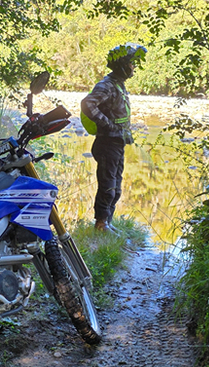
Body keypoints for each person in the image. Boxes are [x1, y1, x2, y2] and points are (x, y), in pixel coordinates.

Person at [81, 43, 147, 233]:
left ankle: (108, 223)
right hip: (107, 143)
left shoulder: (118, 84)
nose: (133, 67)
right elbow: (87, 104)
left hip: (117, 143)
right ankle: (101, 224)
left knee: (116, 186)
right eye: (131, 63)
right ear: (122, 65)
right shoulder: (106, 85)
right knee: (108, 186)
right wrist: (107, 124)